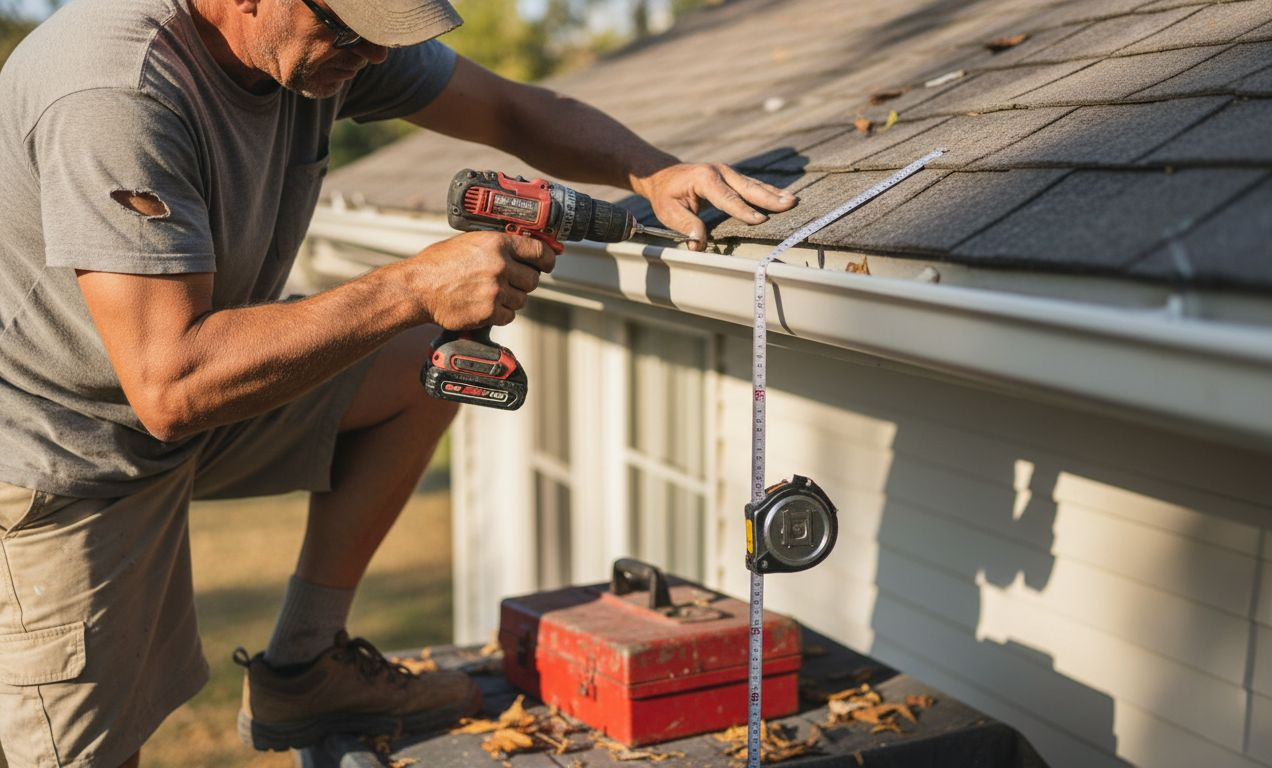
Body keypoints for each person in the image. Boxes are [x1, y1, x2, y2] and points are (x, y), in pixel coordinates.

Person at [0, 0, 797, 765]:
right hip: (60, 454)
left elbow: (512, 110)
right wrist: (410, 287)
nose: (375, 56)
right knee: (91, 752)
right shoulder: (114, 91)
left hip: (171, 397)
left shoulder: (325, 44)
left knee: (434, 362)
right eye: (352, 27)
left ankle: (307, 666)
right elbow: (171, 385)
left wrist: (654, 173)